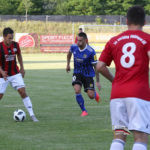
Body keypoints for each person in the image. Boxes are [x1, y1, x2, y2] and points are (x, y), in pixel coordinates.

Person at [97, 6, 150, 150]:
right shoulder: (147, 39)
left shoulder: (114, 40)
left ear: (126, 21)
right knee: (140, 137)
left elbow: (100, 66)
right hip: (139, 93)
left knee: (119, 136)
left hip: (117, 94)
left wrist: (114, 80)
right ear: (144, 21)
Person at [0, 27, 38, 122]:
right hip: (2, 75)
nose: (11, 40)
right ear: (4, 37)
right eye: (9, 38)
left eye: (12, 38)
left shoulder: (15, 45)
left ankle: (32, 115)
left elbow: (19, 55)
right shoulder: (0, 47)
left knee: (22, 91)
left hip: (14, 73)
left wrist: (22, 67)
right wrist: (1, 72)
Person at [66, 32, 101, 116]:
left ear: (85, 40)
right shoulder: (74, 47)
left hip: (88, 75)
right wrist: (68, 64)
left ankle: (94, 94)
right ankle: (84, 111)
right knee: (77, 90)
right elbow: (69, 54)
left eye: (80, 41)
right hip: (77, 73)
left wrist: (97, 81)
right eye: (77, 40)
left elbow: (96, 67)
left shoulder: (91, 52)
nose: (78, 42)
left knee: (91, 96)